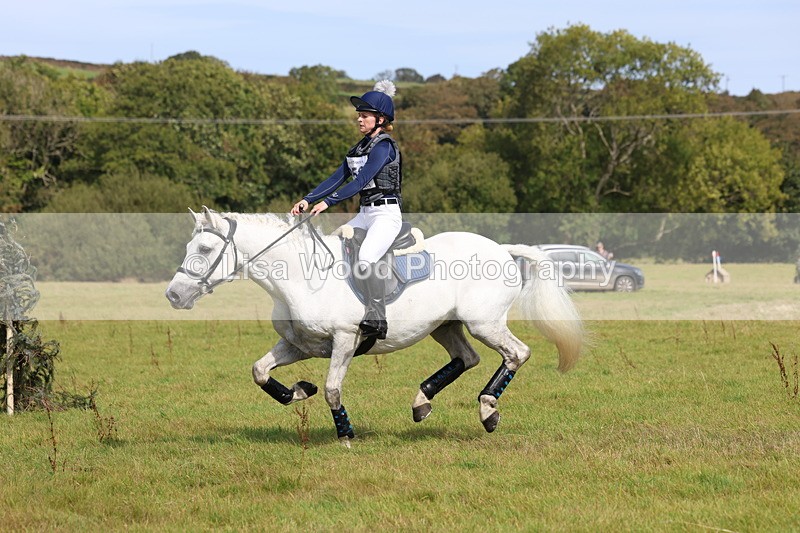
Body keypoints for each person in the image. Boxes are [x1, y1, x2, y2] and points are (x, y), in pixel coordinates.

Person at [291, 80, 402, 340]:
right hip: (365, 214)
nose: (359, 120)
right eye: (359, 116)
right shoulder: (358, 149)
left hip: (386, 215)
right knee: (333, 248)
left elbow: (361, 181)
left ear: (380, 119)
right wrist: (308, 199)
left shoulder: (384, 147)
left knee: (366, 258)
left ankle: (377, 318)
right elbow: (336, 178)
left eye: (364, 116)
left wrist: (328, 203)